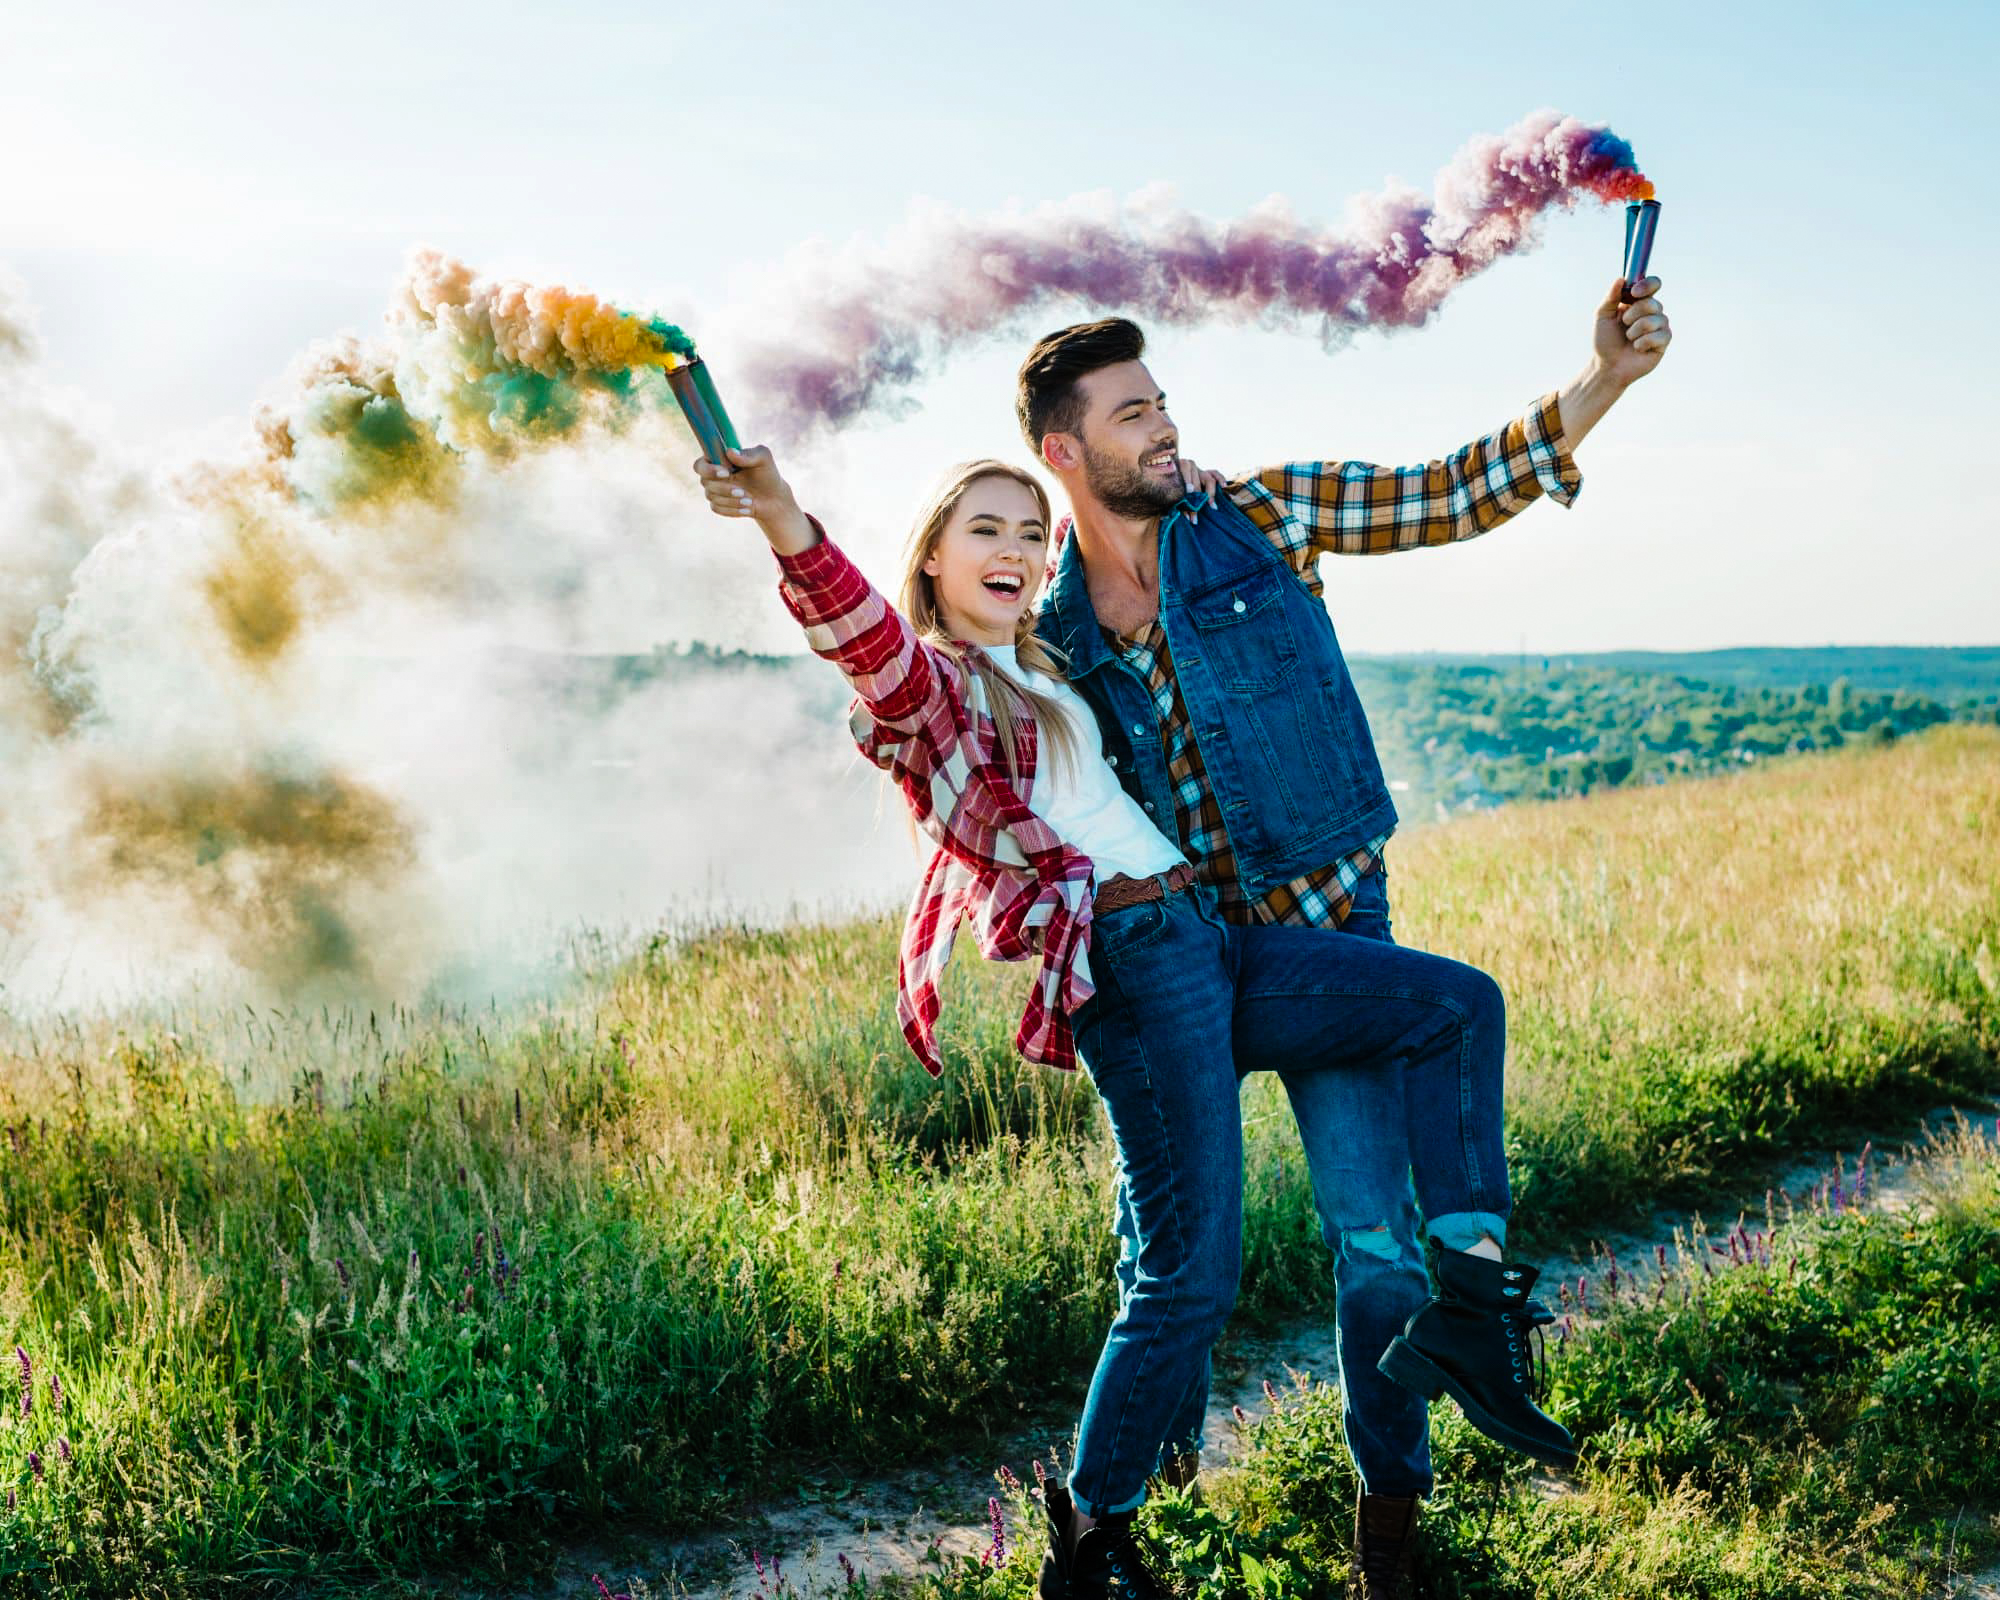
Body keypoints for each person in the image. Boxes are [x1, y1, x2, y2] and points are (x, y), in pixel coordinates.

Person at [690, 386, 1619, 1591]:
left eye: (1028, 532)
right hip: (1136, 959)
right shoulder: (941, 691)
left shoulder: (1048, 659)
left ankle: (1471, 1303)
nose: (1016, 551)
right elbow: (859, 637)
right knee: (1189, 1272)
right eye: (984, 531)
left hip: (1212, 931)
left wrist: (1192, 489)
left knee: (1454, 1003)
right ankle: (1093, 1534)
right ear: (930, 556)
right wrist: (781, 519)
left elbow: (1204, 595)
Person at [1018, 273, 1673, 1597]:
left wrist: (1601, 381)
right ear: (1062, 452)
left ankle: (1390, 1519)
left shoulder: (1262, 515)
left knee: (1375, 1244)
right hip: (1182, 974)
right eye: (1132, 412)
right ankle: (1114, 1522)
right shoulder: (1050, 632)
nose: (1163, 427)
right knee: (1167, 1258)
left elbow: (1447, 492)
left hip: (1325, 935)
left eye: (1162, 404)